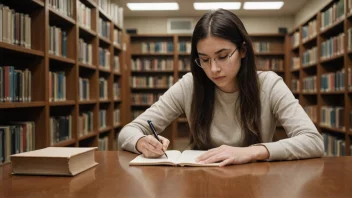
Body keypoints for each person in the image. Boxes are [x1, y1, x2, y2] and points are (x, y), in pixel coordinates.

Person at [118, 9, 324, 166]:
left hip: (256, 177)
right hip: (200, 176)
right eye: (204, 60)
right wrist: (141, 142)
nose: (214, 69)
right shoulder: (190, 85)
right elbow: (129, 131)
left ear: (243, 50)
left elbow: (313, 141)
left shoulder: (269, 85)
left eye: (223, 56)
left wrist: (252, 151)